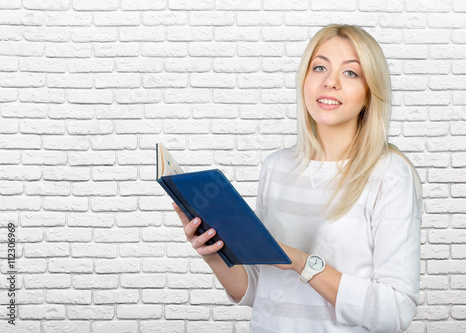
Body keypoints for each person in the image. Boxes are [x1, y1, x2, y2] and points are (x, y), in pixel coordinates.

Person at [173, 24, 422, 332]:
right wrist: (213, 254)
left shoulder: (389, 174)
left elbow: (395, 312)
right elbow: (255, 290)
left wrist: (301, 261)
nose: (330, 82)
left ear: (370, 94)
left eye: (350, 73)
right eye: (319, 67)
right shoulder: (277, 167)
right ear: (304, 80)